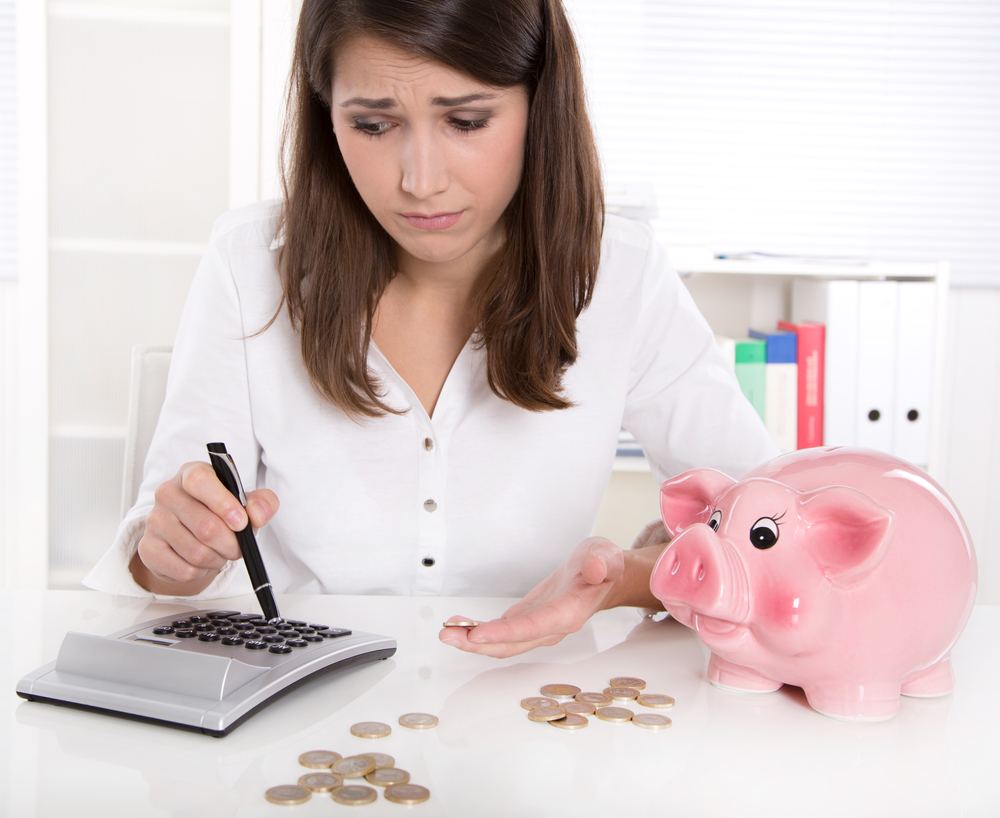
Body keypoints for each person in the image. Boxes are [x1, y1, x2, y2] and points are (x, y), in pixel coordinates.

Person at [84, 0, 778, 658]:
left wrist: (617, 580)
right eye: (373, 125)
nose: (421, 181)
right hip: (301, 724)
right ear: (327, 116)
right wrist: (170, 553)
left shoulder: (621, 274)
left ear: (540, 102)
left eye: (468, 122)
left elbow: (772, 524)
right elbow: (158, 556)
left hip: (529, 714)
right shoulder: (248, 264)